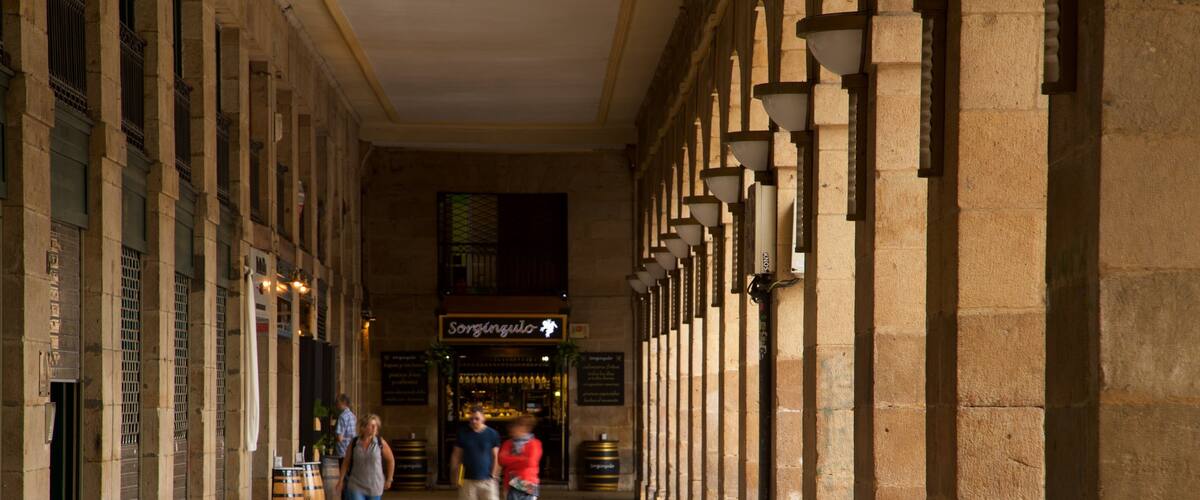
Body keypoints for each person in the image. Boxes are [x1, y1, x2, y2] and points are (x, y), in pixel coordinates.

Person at [334, 413, 395, 500]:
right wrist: (340, 480)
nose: (375, 428)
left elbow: (390, 460)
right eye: (372, 425)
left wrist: (389, 479)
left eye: (376, 425)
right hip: (356, 484)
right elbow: (346, 461)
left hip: (375, 486)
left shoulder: (380, 442)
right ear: (363, 427)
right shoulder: (354, 443)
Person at [450, 406, 501, 500]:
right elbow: (456, 455)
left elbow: (496, 456)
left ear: (483, 418)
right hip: (467, 479)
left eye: (477, 418)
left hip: (488, 480)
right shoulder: (462, 433)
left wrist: (494, 474)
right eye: (471, 419)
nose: (473, 421)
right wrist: (455, 473)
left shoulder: (492, 434)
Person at [498, 415, 542, 500]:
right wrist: (522, 459)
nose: (511, 431)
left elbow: (531, 462)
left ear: (523, 428)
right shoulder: (508, 443)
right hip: (511, 484)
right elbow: (502, 460)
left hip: (528, 484)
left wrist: (511, 461)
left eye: (513, 427)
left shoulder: (534, 443)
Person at [334, 394, 357, 459]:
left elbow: (339, 438)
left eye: (338, 402)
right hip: (352, 449)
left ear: (343, 403)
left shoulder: (342, 417)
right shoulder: (353, 415)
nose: (336, 405)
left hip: (343, 451)